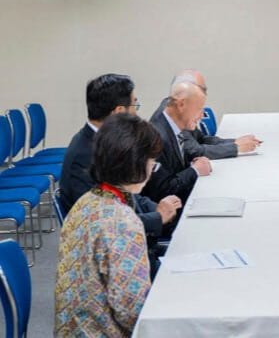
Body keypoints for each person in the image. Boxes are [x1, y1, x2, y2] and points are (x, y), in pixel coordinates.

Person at [55, 113, 161, 337]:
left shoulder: (87, 201)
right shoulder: (122, 222)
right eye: (152, 162)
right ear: (136, 164)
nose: (153, 169)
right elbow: (132, 311)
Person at [59, 74, 181, 266]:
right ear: (118, 112)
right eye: (134, 105)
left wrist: (158, 208)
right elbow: (105, 224)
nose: (137, 113)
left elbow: (129, 195)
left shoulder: (104, 142)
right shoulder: (84, 156)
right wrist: (158, 217)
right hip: (112, 255)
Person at [151, 69, 261, 159]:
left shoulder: (180, 109)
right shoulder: (173, 116)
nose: (204, 93)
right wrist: (235, 147)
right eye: (202, 88)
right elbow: (194, 151)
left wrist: (235, 142)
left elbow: (201, 139)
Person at [141, 80, 211, 205]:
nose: (202, 115)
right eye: (199, 109)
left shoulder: (176, 125)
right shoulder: (157, 137)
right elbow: (161, 190)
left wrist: (192, 164)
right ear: (181, 105)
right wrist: (195, 170)